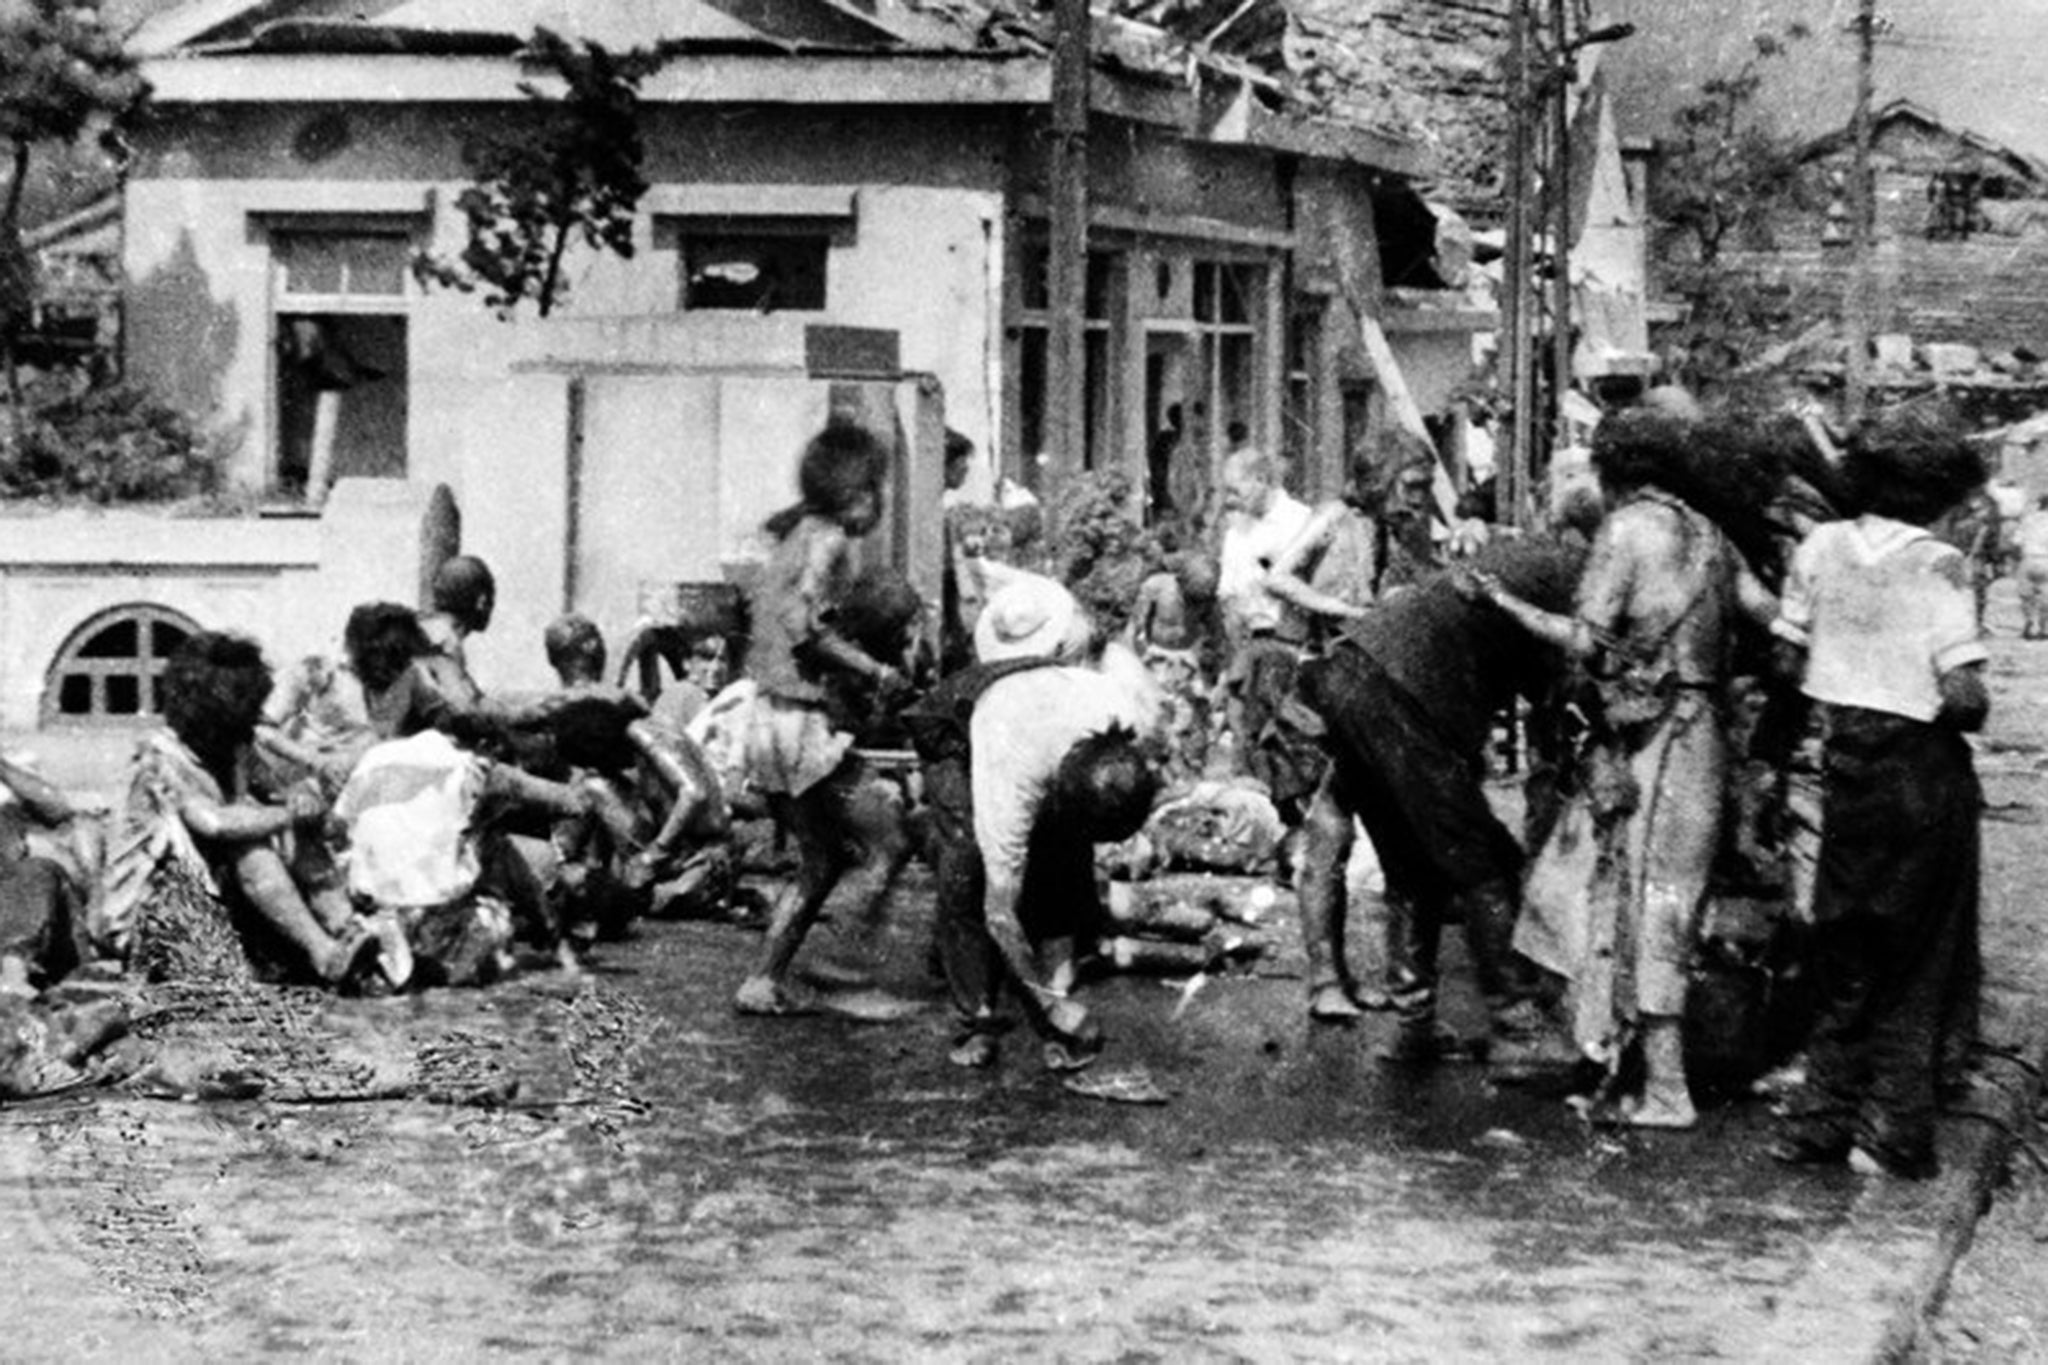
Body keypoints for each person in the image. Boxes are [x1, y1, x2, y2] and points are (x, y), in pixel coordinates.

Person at [1471, 409, 1777, 1126]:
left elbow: (1584, 640)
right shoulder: (1710, 534)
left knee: (1623, 902)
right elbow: (1772, 614)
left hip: (1651, 741)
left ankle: (1666, 1089)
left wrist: (1505, 603)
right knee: (1655, 900)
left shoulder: (1628, 528)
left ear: (1613, 471)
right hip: (1704, 740)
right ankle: (1621, 1064)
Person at [1768, 412, 1990, 1180]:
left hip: (1847, 765)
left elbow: (1784, 660)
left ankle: (1818, 1120)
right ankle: (1893, 1129)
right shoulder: (1943, 565)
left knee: (1847, 948)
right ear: (1934, 494)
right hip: (1923, 770)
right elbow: (1964, 696)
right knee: (1918, 956)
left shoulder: (1821, 548)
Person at [1298, 501, 1593, 1069]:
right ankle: (1516, 1025)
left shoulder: (1525, 557)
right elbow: (1557, 690)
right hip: (1402, 698)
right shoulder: (1573, 581)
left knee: (1412, 866)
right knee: (1485, 864)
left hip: (1351, 675)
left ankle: (1414, 1025)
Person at [906, 576, 1163, 1070]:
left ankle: (1053, 1015)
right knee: (967, 875)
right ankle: (977, 1021)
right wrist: (1050, 1005)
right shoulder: (1013, 771)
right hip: (957, 734)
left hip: (1040, 728)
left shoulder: (1117, 709)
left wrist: (1057, 1001)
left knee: (1064, 868)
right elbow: (999, 909)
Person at [732, 422, 915, 1016]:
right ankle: (847, 967)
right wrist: (875, 671)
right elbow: (802, 625)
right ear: (858, 493)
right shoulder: (828, 538)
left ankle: (763, 979)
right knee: (890, 838)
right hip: (798, 723)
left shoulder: (798, 533)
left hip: (766, 717)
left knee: (824, 858)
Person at [103, 632, 400, 988]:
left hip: (210, 896)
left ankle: (348, 928)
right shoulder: (159, 760)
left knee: (291, 829)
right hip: (152, 913)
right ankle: (323, 952)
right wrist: (289, 814)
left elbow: (280, 790)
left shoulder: (232, 748)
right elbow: (213, 823)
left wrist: (303, 800)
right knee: (251, 844)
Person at [1263, 449, 1387, 1020]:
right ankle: (1323, 980)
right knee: (1326, 839)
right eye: (1407, 483)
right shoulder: (1333, 517)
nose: (1415, 494)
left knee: (1355, 834)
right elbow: (1281, 577)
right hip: (1316, 687)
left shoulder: (1384, 525)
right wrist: (1342, 609)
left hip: (1366, 687)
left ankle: (1343, 973)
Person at [2014, 493, 2048, 640]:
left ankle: (2030, 623)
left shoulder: (2028, 519)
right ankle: (2044, 628)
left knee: (2026, 596)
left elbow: (2016, 541)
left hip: (2028, 558)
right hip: (2046, 560)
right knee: (2046, 596)